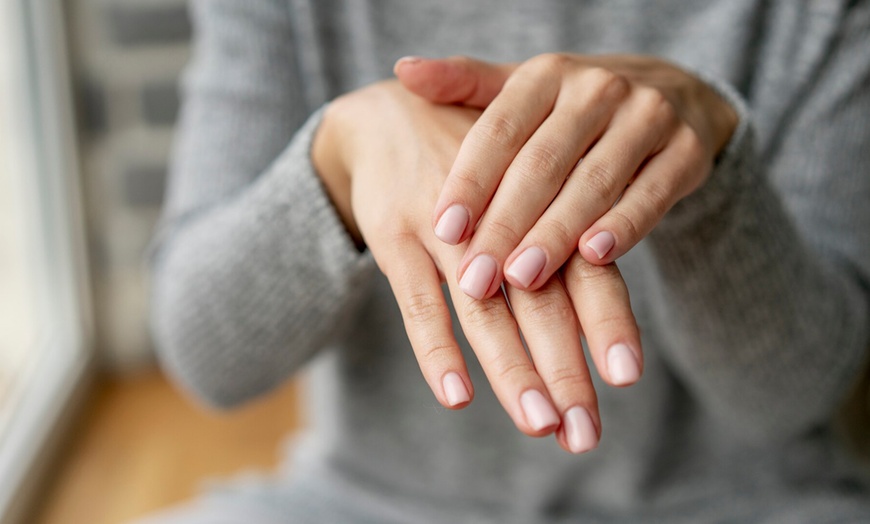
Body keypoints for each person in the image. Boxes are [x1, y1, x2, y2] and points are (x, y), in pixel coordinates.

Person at [141, 0, 870, 522]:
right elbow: (210, 357)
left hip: (748, 502)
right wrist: (336, 162)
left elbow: (795, 395)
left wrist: (711, 170)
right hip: (368, 500)